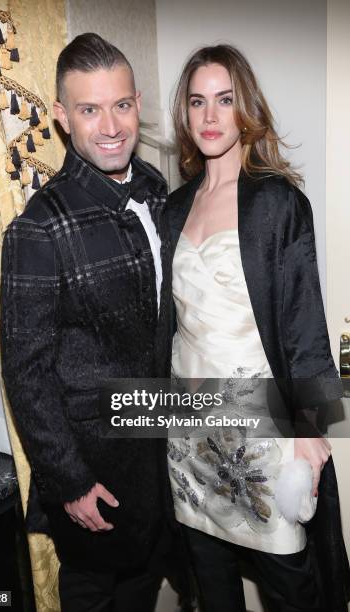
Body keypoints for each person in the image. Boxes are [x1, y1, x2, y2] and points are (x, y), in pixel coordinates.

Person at [167, 44, 350, 612]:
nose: (210, 116)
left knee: (292, 586)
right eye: (197, 102)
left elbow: (304, 325)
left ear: (245, 107)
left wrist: (312, 426)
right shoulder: (172, 208)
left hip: (263, 429)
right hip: (187, 431)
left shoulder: (278, 204)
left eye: (224, 100)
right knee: (211, 583)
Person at [0, 33, 174, 612]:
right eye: (89, 108)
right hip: (93, 477)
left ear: (138, 103)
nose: (110, 126)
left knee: (144, 594)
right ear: (60, 116)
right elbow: (26, 373)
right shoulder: (40, 226)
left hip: (160, 463)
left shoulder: (156, 190)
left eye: (121, 105)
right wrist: (68, 482)